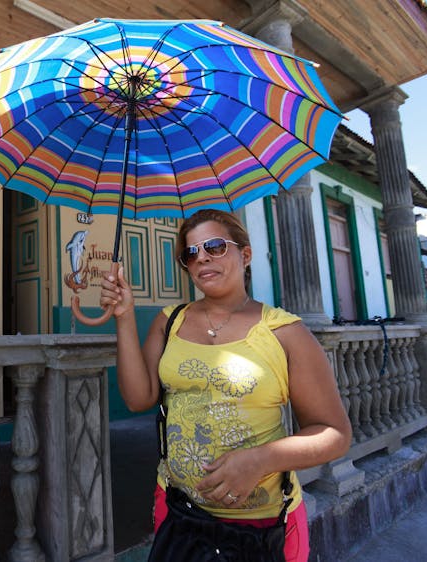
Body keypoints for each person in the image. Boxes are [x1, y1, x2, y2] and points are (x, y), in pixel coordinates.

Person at [100, 209, 352, 562]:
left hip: (263, 528)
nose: (201, 256)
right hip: (179, 513)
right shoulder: (168, 321)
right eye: (191, 253)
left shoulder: (285, 332)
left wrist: (262, 459)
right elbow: (138, 399)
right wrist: (124, 317)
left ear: (245, 255)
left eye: (215, 246)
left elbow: (334, 433)